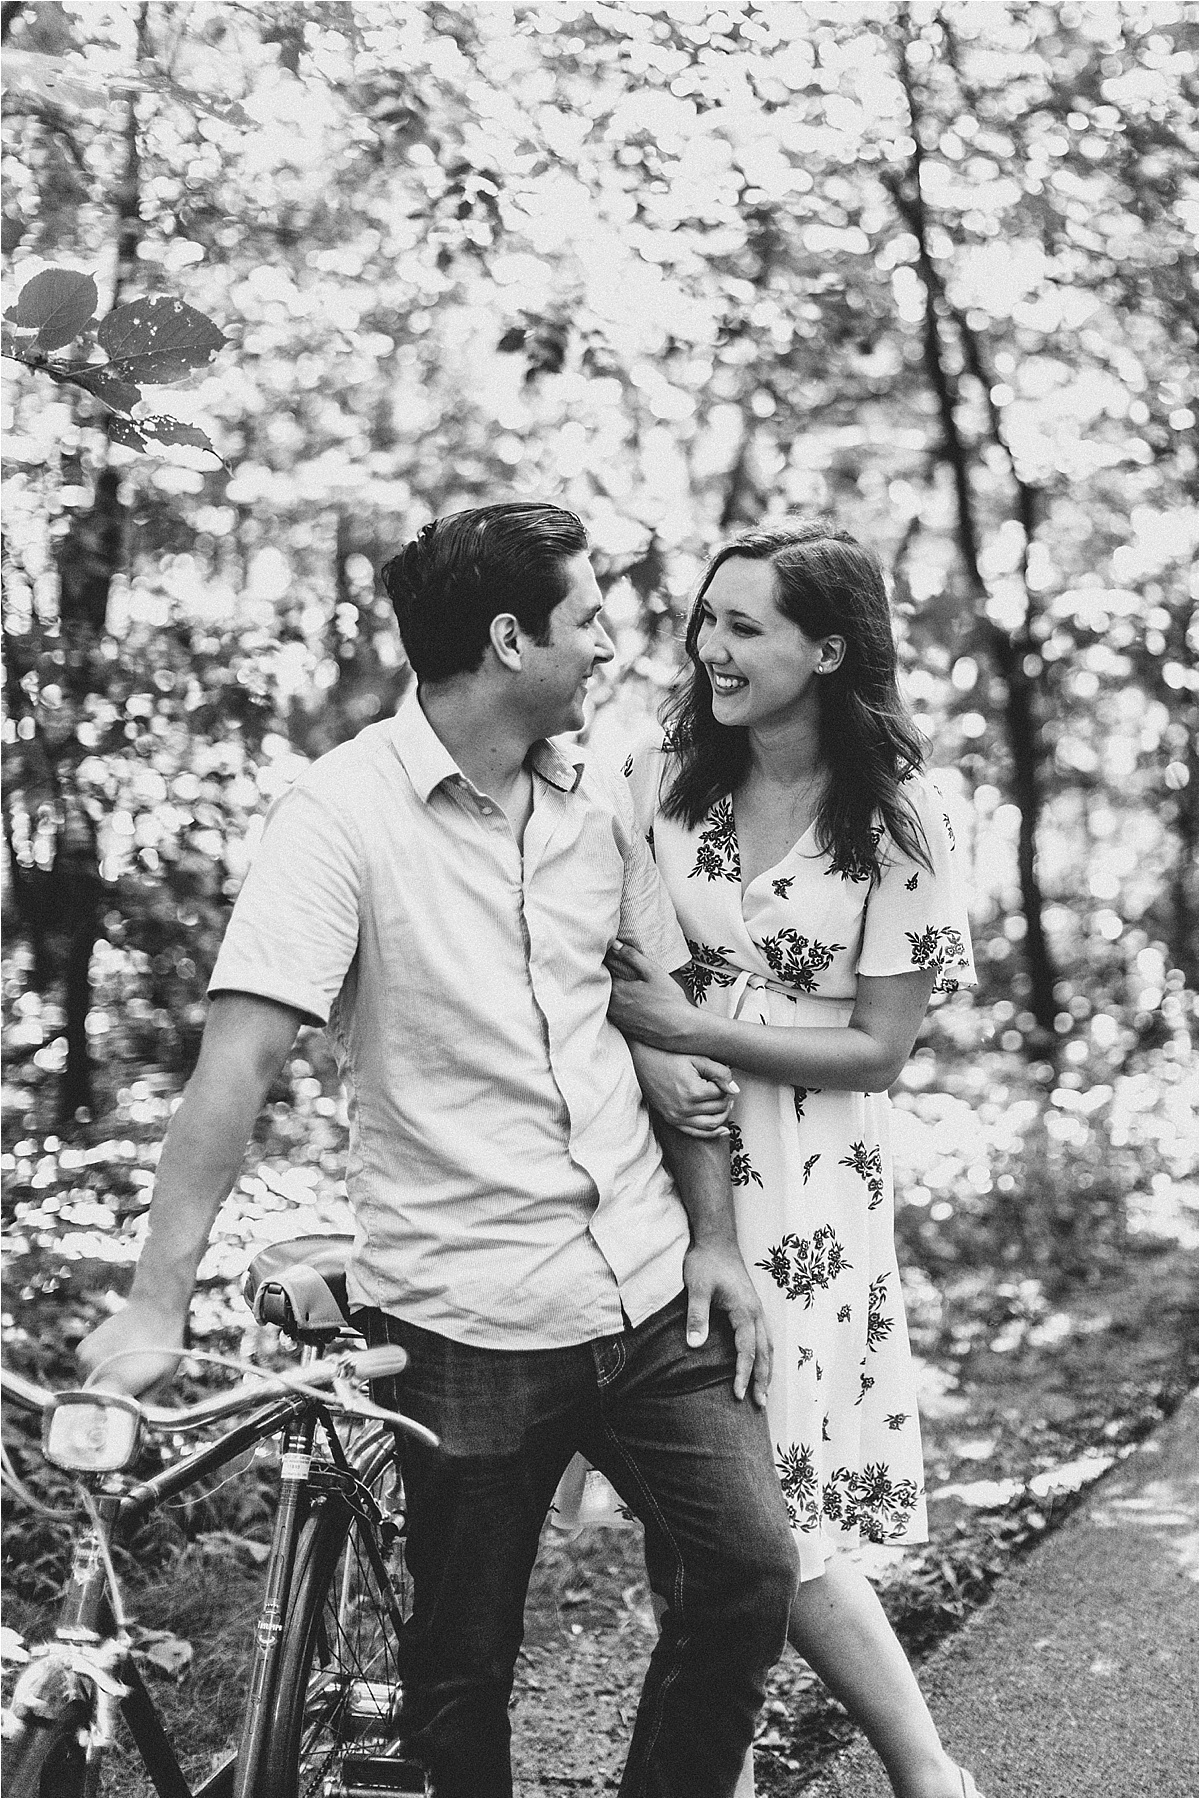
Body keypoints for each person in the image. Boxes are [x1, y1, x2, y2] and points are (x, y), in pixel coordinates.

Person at [77, 502, 799, 1799]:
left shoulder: (601, 808)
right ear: (511, 637)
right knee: (458, 1672)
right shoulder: (340, 814)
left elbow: (657, 1035)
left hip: (644, 1285)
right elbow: (236, 1064)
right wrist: (152, 1304)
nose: (613, 646)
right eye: (590, 620)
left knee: (750, 1568)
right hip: (469, 1318)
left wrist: (711, 1236)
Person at [604, 522, 981, 1799]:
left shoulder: (903, 816)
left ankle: (926, 1770)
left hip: (811, 1177)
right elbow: (595, 938)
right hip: (653, 1147)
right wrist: (655, 1045)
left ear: (829, 649)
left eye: (746, 626)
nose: (713, 646)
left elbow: (880, 1046)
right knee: (698, 1489)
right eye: (708, 619)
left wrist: (686, 1023)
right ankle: (734, 1755)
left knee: (774, 1504)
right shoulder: (658, 768)